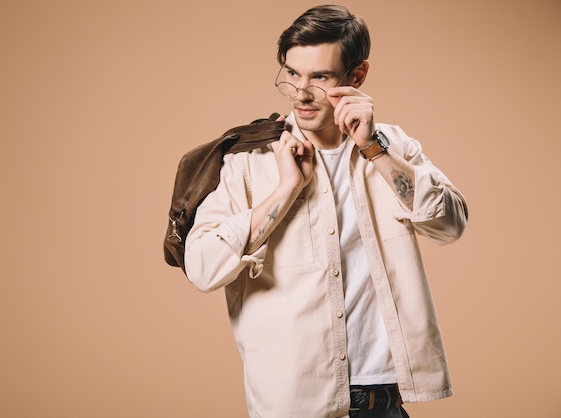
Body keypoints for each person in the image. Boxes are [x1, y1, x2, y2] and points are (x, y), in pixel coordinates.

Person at [184, 4, 468, 418]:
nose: (301, 92)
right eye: (292, 74)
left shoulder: (393, 146)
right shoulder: (252, 161)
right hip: (297, 405)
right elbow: (202, 268)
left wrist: (375, 150)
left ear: (357, 77)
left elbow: (451, 224)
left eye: (319, 77)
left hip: (382, 400)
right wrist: (285, 189)